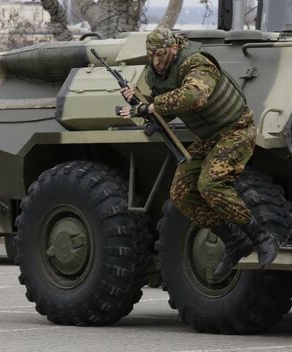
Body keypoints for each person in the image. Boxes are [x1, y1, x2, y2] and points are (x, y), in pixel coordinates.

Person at [119, 27, 278, 278]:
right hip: (208, 137)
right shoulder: (157, 73)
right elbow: (167, 113)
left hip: (235, 130)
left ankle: (262, 237)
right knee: (181, 193)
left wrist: (150, 106)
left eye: (160, 54)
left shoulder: (197, 63)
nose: (156, 61)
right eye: (151, 55)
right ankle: (234, 241)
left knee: (211, 185)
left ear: (173, 49)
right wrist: (138, 102)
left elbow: (194, 96)